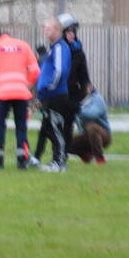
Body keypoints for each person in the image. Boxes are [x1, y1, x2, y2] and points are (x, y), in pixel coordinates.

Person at [0, 31, 40, 169]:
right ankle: (22, 159)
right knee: (21, 127)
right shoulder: (24, 45)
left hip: (2, 93)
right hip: (21, 92)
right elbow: (35, 70)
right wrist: (27, 84)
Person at [35, 17, 73, 173]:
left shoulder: (59, 47)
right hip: (48, 95)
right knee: (48, 127)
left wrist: (50, 87)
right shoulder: (52, 48)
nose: (46, 30)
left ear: (58, 30)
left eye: (49, 28)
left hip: (55, 95)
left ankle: (59, 162)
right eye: (45, 27)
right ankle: (54, 160)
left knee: (55, 128)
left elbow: (60, 70)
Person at [68, 86, 112, 164]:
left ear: (90, 88)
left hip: (104, 135)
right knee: (63, 143)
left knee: (91, 126)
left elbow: (92, 114)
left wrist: (77, 108)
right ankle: (86, 156)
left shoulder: (97, 99)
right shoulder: (76, 101)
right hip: (85, 136)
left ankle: (100, 159)